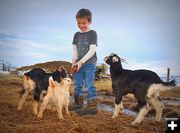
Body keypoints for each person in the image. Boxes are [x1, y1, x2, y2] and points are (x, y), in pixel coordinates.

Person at [71, 8, 98, 114]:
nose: (81, 25)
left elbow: (92, 50)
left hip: (89, 64)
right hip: (78, 64)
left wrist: (81, 62)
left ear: (90, 22)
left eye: (84, 23)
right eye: (78, 23)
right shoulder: (76, 35)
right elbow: (74, 49)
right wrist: (74, 61)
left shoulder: (93, 33)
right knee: (77, 84)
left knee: (88, 84)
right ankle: (78, 103)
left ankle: (91, 106)